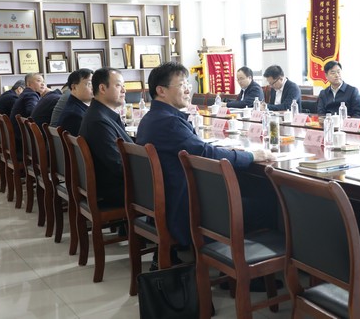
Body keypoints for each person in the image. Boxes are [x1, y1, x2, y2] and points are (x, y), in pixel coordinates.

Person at [136, 62, 275, 250]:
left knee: (252, 189)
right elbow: (206, 153)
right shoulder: (169, 122)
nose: (188, 89)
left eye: (188, 84)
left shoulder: (151, 118)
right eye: (182, 85)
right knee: (270, 202)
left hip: (171, 201)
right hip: (187, 210)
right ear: (161, 91)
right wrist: (251, 156)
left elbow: (198, 149)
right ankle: (253, 264)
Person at [79, 67, 132, 208]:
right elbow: (118, 165)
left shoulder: (101, 114)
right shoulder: (98, 121)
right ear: (102, 88)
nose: (124, 90)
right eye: (119, 85)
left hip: (115, 184)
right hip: (115, 190)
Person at [10, 73, 46, 156]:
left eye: (43, 81)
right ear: (29, 84)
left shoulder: (25, 93)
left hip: (18, 138)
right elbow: (32, 112)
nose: (42, 84)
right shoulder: (31, 94)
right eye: (39, 81)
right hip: (23, 141)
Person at [57, 69, 94, 135]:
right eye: (90, 84)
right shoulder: (74, 115)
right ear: (74, 87)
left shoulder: (77, 106)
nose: (94, 88)